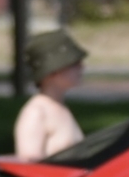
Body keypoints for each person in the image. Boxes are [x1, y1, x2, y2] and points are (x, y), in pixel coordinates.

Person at [13, 29, 87, 159]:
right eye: (74, 63)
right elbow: (30, 171)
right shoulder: (36, 113)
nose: (81, 67)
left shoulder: (59, 107)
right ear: (53, 70)